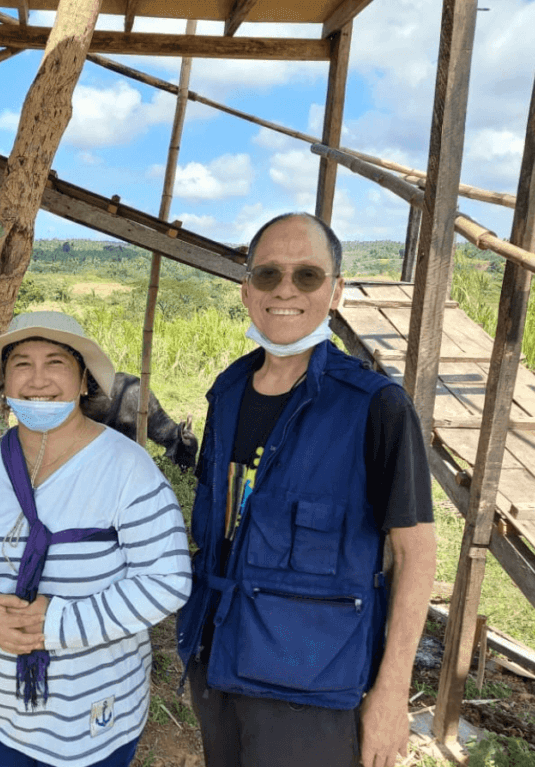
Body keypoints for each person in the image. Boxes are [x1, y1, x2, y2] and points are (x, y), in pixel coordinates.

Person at [177, 213, 436, 767]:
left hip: (310, 686)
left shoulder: (376, 408)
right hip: (215, 660)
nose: (285, 290)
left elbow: (417, 554)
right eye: (268, 275)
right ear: (247, 291)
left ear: (336, 290)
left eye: (308, 276)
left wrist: (391, 694)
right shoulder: (226, 392)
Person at [0, 311, 192, 767]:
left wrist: (58, 625)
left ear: (84, 380)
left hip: (97, 718)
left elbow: (167, 580)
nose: (38, 379)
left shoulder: (127, 468)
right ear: (4, 383)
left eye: (56, 363)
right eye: (21, 364)